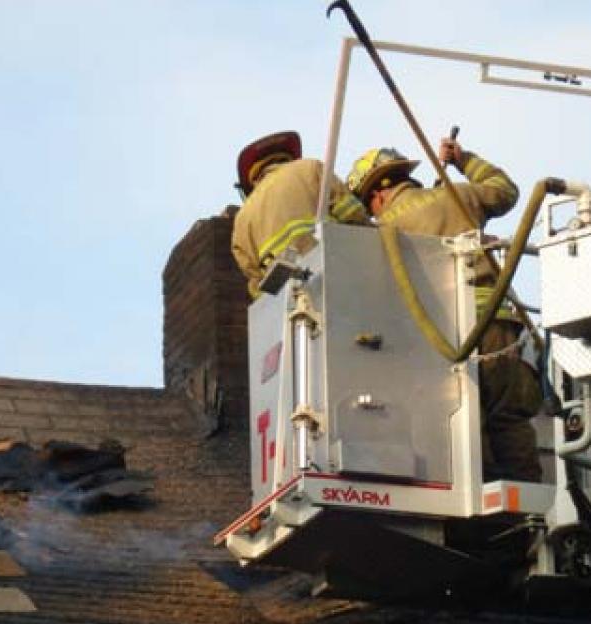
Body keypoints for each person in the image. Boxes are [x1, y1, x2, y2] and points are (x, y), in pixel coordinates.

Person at [346, 139, 542, 482]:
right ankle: (527, 505)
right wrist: (463, 158)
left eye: (370, 205)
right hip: (495, 324)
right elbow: (504, 190)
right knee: (508, 415)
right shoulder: (457, 196)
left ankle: (480, 505)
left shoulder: (380, 233)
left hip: (438, 337)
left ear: (377, 194)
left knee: (460, 420)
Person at [231, 131, 369, 299]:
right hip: (340, 271)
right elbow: (353, 216)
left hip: (293, 301)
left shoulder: (242, 219)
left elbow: (258, 288)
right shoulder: (311, 168)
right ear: (288, 156)